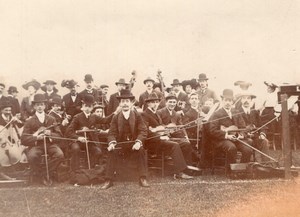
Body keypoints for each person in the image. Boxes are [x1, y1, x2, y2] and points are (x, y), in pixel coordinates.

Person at [101, 89, 149, 189]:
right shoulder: (116, 117)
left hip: (133, 145)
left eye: (127, 101)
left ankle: (142, 178)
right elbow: (111, 132)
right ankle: (108, 180)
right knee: (111, 152)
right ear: (120, 104)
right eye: (123, 101)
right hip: (121, 145)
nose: (125, 104)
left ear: (131, 103)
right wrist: (112, 143)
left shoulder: (137, 115)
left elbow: (143, 130)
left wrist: (138, 142)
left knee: (140, 150)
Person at [142, 92, 193, 179]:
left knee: (186, 144)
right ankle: (178, 173)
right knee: (175, 145)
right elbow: (145, 131)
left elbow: (161, 127)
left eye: (156, 102)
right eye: (152, 102)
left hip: (162, 139)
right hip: (153, 143)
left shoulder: (156, 114)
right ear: (148, 103)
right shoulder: (144, 114)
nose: (155, 104)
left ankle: (186, 169)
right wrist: (159, 135)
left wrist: (167, 130)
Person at [65, 95, 117, 171]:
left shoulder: (94, 116)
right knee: (76, 149)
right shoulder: (77, 117)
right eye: (86, 106)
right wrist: (78, 138)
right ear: (82, 106)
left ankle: (88, 170)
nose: (87, 108)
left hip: (89, 142)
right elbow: (68, 131)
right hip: (77, 141)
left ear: (92, 108)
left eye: (89, 106)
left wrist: (115, 113)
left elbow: (105, 120)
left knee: (98, 152)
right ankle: (74, 171)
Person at [21, 94, 65, 183]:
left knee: (60, 155)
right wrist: (36, 138)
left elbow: (59, 136)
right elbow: (24, 139)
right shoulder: (29, 121)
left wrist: (50, 134)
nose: (40, 107)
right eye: (37, 105)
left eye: (41, 104)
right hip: (37, 145)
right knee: (32, 156)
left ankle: (44, 173)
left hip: (50, 144)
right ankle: (41, 173)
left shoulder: (51, 119)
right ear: (34, 106)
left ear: (45, 106)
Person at [209, 89, 253, 165]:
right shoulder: (216, 114)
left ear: (232, 102)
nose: (228, 103)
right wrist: (227, 136)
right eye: (226, 100)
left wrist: (241, 135)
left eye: (230, 101)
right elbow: (212, 130)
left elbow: (243, 127)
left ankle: (242, 169)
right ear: (222, 101)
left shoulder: (236, 112)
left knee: (248, 150)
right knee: (232, 148)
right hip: (222, 140)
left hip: (236, 139)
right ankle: (231, 171)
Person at [157, 94, 194, 166]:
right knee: (176, 144)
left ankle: (188, 167)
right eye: (170, 102)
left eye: (174, 102)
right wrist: (167, 127)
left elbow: (181, 127)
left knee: (187, 144)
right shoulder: (160, 112)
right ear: (166, 102)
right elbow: (158, 125)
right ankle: (179, 167)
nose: (172, 104)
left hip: (174, 138)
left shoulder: (176, 114)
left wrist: (186, 137)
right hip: (163, 138)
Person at [238, 91, 269, 162]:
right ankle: (245, 166)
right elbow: (236, 127)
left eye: (248, 98)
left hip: (255, 138)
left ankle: (266, 165)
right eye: (244, 98)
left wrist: (262, 134)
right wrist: (245, 133)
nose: (246, 100)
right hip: (243, 139)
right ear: (241, 100)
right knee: (249, 142)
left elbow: (262, 126)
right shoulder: (237, 112)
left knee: (265, 141)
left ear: (251, 100)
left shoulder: (254, 112)